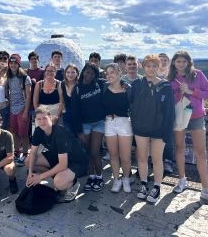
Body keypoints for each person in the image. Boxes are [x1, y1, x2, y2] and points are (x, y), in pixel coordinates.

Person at [169, 51, 208, 207]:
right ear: (174, 63)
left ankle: (206, 190)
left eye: (184, 61)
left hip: (196, 117)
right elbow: (168, 99)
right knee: (179, 148)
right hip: (179, 116)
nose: (181, 64)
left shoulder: (198, 74)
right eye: (178, 61)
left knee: (201, 152)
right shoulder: (171, 79)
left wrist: (191, 91)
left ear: (189, 62)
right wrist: (178, 93)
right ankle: (182, 180)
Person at [130, 54, 175, 204]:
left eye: (154, 66)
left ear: (159, 67)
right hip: (141, 127)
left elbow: (170, 111)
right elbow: (130, 104)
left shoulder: (166, 86)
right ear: (143, 67)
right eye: (148, 65)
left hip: (159, 129)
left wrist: (167, 132)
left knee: (157, 159)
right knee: (142, 158)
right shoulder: (136, 84)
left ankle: (156, 186)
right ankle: (143, 185)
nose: (151, 69)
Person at [25, 106, 88, 202]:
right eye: (39, 119)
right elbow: (33, 152)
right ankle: (58, 175)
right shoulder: (38, 131)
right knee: (29, 161)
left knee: (58, 183)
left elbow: (63, 165)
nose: (42, 122)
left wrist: (40, 177)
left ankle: (73, 184)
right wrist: (30, 173)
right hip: (58, 156)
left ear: (50, 117)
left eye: (44, 118)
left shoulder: (60, 133)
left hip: (77, 162)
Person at [71, 63, 106, 192]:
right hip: (85, 125)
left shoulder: (100, 84)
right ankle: (91, 177)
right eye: (87, 72)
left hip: (99, 123)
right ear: (83, 72)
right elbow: (75, 112)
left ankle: (100, 177)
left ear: (95, 75)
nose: (89, 75)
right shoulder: (78, 89)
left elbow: (115, 83)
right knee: (88, 153)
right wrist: (78, 131)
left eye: (92, 73)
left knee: (95, 152)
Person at [103, 63, 132, 193]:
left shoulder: (128, 88)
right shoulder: (104, 87)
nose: (109, 75)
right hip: (109, 123)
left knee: (125, 157)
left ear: (119, 73)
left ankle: (126, 178)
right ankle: (116, 179)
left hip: (125, 123)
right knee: (113, 155)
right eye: (107, 73)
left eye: (112, 72)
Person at [7, 54, 31, 166]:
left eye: (15, 63)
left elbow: (28, 96)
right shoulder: (8, 77)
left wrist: (26, 111)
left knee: (24, 134)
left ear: (19, 64)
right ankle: (16, 153)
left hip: (22, 108)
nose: (13, 65)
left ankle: (25, 154)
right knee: (15, 133)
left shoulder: (25, 78)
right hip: (12, 109)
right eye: (11, 63)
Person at [61, 64, 79, 134]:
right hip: (67, 116)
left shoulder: (80, 85)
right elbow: (62, 101)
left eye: (73, 72)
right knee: (70, 137)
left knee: (80, 139)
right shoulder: (62, 84)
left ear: (77, 73)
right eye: (68, 72)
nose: (70, 74)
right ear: (65, 73)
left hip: (79, 116)